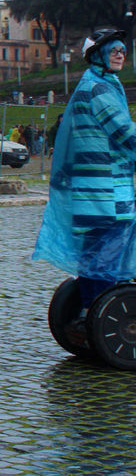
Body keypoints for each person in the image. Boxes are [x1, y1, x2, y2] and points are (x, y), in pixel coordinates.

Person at [33, 29, 136, 329]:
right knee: (107, 254)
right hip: (107, 191)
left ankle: (89, 313)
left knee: (96, 253)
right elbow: (124, 134)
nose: (121, 54)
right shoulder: (100, 89)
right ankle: (96, 316)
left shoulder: (93, 84)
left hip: (94, 189)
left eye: (122, 49)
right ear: (97, 56)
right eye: (114, 50)